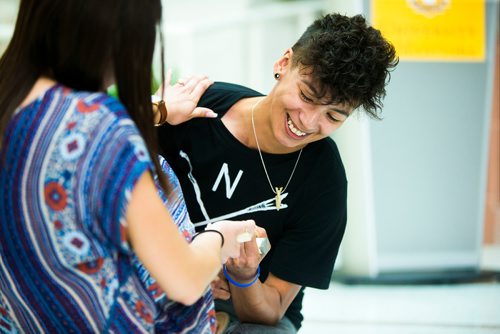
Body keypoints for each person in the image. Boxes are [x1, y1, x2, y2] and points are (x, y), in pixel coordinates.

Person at [0, 0, 258, 333]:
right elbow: (184, 281)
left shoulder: (13, 99)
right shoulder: (102, 127)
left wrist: (156, 110)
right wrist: (220, 238)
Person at [156, 13, 398, 333]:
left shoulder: (324, 180)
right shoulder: (198, 107)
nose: (309, 122)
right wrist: (157, 111)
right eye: (307, 97)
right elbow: (96, 156)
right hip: (157, 273)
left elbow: (271, 311)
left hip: (238, 305)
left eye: (334, 116)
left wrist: (243, 276)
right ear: (284, 63)